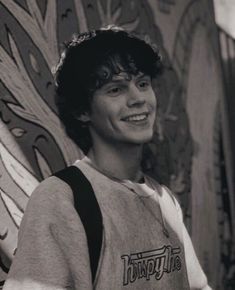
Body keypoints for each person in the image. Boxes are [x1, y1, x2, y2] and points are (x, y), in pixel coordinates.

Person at [3, 26, 212, 290]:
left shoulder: (164, 199)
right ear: (82, 111)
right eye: (115, 90)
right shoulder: (62, 200)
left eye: (143, 83)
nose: (138, 99)